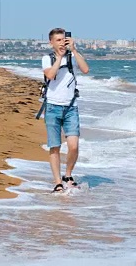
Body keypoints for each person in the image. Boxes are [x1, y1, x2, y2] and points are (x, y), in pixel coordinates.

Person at [41, 28, 89, 192]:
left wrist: (74, 50)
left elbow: (85, 69)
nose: (62, 43)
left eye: (64, 39)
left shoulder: (72, 57)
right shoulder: (47, 58)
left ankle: (67, 175)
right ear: (51, 42)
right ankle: (57, 182)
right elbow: (50, 75)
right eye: (58, 40)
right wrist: (59, 58)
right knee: (55, 147)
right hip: (53, 107)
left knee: (73, 146)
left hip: (71, 107)